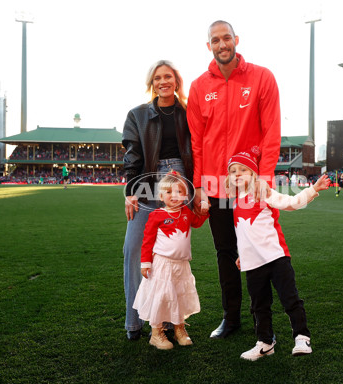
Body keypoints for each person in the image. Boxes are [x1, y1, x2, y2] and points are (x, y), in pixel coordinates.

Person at [187, 20, 281, 339]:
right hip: (215, 187)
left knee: (257, 252)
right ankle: (231, 317)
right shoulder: (200, 87)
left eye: (227, 38)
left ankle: (261, 318)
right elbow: (196, 142)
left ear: (236, 40)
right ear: (209, 45)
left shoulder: (261, 77)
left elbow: (271, 132)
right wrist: (199, 185)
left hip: (249, 187)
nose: (222, 44)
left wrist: (263, 179)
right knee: (225, 253)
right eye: (216, 40)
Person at [225, 147, 331, 360]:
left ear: (253, 174)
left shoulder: (262, 192)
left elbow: (291, 204)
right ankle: (265, 342)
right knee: (259, 305)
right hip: (253, 263)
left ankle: (302, 337)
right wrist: (242, 255)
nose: (237, 174)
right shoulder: (235, 201)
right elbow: (244, 232)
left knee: (289, 299)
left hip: (276, 257)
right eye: (233, 170)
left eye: (243, 170)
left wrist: (313, 189)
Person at [122, 60, 194, 341]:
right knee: (133, 249)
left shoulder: (189, 113)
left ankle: (167, 322)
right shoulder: (137, 115)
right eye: (157, 78)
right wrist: (130, 190)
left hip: (180, 182)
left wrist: (197, 188)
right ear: (151, 83)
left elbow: (198, 148)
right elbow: (132, 155)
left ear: (177, 81)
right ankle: (133, 322)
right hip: (147, 180)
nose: (163, 81)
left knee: (169, 257)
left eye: (168, 76)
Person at [132, 172, 208, 350]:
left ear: (185, 195)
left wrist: (204, 212)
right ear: (160, 196)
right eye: (169, 192)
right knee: (161, 296)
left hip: (182, 265)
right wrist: (145, 263)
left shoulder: (186, 212)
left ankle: (179, 329)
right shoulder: (157, 215)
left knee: (179, 296)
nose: (174, 196)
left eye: (179, 192)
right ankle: (157, 333)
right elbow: (147, 241)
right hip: (162, 265)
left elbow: (196, 222)